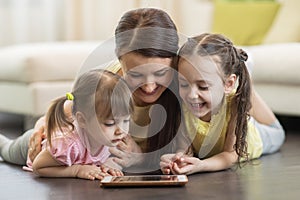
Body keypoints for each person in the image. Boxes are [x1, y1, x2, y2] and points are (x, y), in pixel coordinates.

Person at [13, 8, 183, 173]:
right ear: (119, 60)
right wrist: (42, 125)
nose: (149, 87)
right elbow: (69, 108)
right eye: (135, 74)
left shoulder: (187, 87)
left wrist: (139, 158)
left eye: (161, 73)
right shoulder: (106, 82)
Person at [160, 33, 286, 175]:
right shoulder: (183, 105)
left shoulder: (235, 106)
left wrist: (201, 165)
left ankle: (247, 78)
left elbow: (230, 155)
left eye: (203, 87)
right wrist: (178, 160)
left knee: (276, 131)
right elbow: (185, 149)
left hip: (261, 136)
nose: (191, 95)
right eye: (183, 84)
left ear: (228, 84)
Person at [0, 69, 133, 180]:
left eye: (126, 120)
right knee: (5, 149)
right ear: (82, 120)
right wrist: (76, 170)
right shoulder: (67, 144)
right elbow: (39, 166)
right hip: (29, 146)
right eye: (110, 123)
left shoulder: (110, 137)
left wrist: (107, 164)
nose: (120, 130)